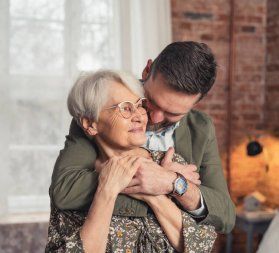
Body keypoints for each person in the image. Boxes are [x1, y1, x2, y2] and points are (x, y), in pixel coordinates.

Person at [50, 41, 235, 234]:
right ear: (147, 70)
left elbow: (226, 216)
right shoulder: (100, 110)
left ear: (195, 104)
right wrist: (153, 187)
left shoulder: (201, 128)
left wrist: (174, 183)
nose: (154, 117)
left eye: (173, 113)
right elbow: (65, 190)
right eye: (151, 101)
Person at [46, 70, 217, 252]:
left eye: (140, 105)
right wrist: (107, 191)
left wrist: (154, 191)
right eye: (125, 108)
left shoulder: (170, 164)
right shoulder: (74, 184)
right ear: (90, 124)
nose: (139, 116)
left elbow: (201, 246)